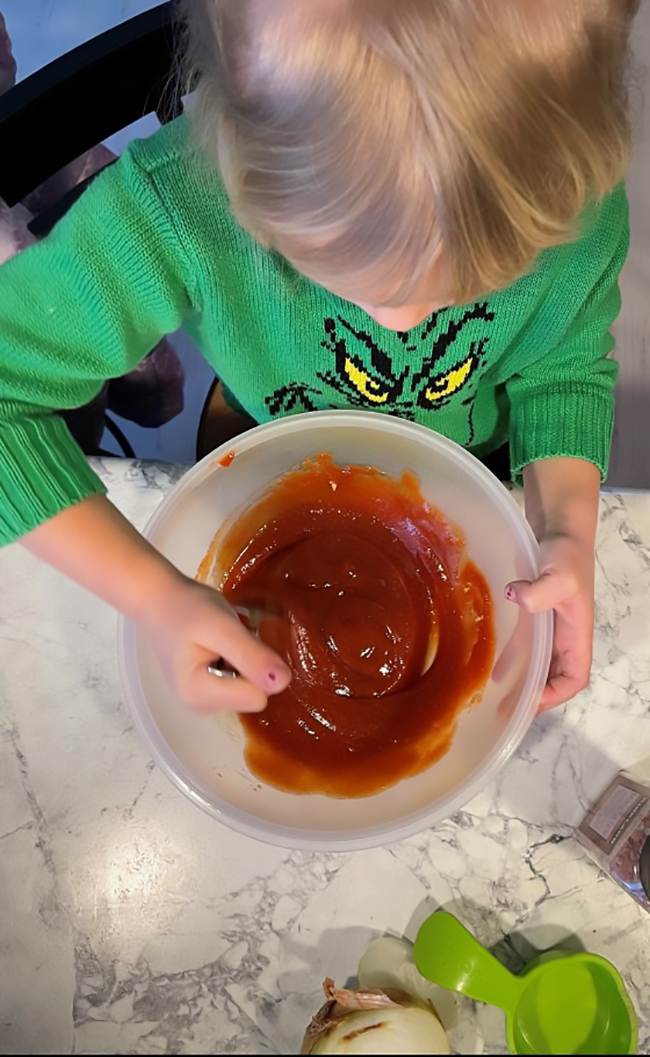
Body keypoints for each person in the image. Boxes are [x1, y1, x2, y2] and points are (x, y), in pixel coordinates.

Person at [0, 0, 638, 715]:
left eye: (477, 281)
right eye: (346, 278)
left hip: (475, 463)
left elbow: (562, 364)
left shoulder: (567, 206)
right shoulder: (173, 212)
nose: (404, 323)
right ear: (240, 163)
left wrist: (567, 531)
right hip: (264, 431)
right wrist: (154, 594)